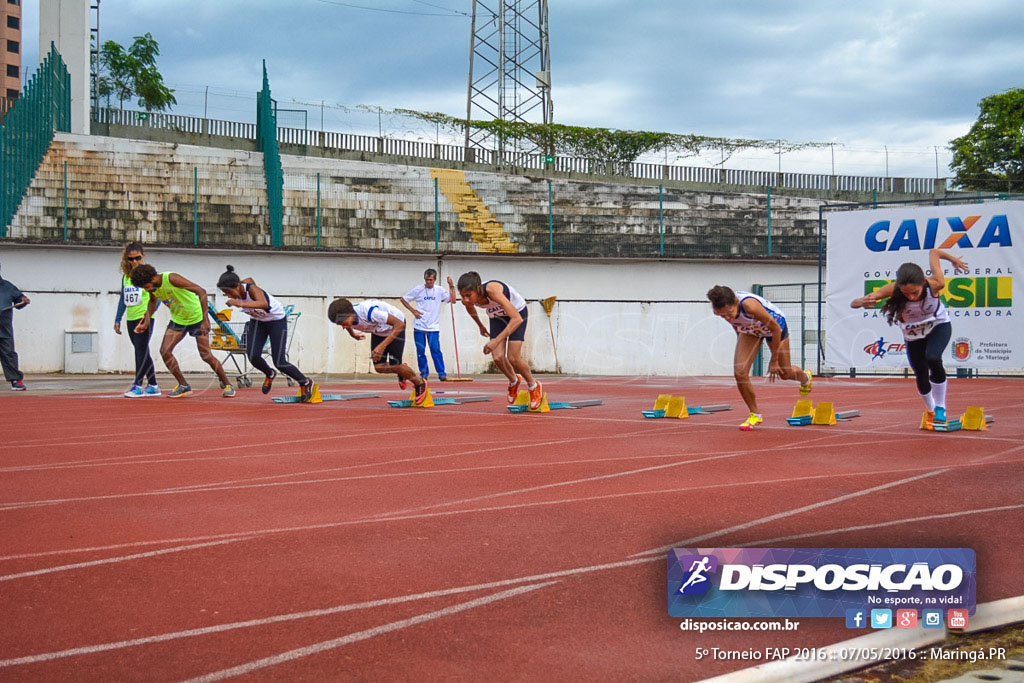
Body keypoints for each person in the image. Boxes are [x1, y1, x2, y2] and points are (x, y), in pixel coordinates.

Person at [850, 248, 969, 427]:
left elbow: (934, 252)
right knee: (920, 372)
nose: (911, 297)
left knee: (933, 358)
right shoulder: (893, 289)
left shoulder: (936, 284)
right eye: (906, 294)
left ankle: (940, 407)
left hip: (938, 325)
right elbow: (854, 303)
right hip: (913, 334)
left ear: (923, 283)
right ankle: (930, 410)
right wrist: (862, 302)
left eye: (915, 292)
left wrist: (953, 260)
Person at [707, 285, 812, 431]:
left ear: (736, 303)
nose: (727, 317)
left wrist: (774, 359)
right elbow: (736, 325)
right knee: (740, 373)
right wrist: (743, 347)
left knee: (784, 373)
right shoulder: (725, 310)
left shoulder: (749, 306)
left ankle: (805, 378)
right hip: (751, 331)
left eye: (729, 313)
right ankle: (755, 414)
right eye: (721, 315)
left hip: (775, 329)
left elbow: (775, 328)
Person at [129, 264, 236, 398]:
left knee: (205, 355)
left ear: (152, 278)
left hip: (196, 317)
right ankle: (183, 385)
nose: (146, 290)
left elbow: (201, 291)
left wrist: (205, 319)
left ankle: (228, 384)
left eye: (146, 287)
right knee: (165, 351)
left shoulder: (171, 278)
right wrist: (146, 322)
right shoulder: (152, 287)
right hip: (178, 319)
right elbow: (152, 301)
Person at [217, 265, 315, 402]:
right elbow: (249, 279)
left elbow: (263, 304)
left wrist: (239, 304)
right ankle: (269, 373)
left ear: (237, 286)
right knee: (252, 355)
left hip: (276, 321)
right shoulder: (244, 284)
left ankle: (305, 381)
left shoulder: (252, 290)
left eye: (228, 292)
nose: (228, 296)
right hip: (258, 322)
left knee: (279, 361)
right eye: (225, 293)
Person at [449, 271, 543, 410]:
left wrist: (496, 341)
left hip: (516, 314)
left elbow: (516, 319)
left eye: (468, 296)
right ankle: (514, 380)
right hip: (497, 317)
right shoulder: (466, 299)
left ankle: (534, 386)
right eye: (463, 296)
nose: (466, 299)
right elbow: (470, 309)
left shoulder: (493, 290)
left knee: (513, 358)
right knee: (498, 357)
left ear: (478, 289)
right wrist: (480, 326)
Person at [327, 297, 428, 405]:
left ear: (351, 314)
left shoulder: (370, 312)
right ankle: (402, 371)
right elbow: (347, 323)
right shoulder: (348, 317)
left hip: (395, 326)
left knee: (396, 364)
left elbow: (399, 325)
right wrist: (353, 334)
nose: (343, 327)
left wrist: (381, 346)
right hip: (378, 330)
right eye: (340, 325)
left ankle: (420, 383)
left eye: (344, 323)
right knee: (379, 367)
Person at [114, 242, 161, 397]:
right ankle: (153, 385)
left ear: (143, 256)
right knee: (141, 350)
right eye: (131, 259)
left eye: (137, 258)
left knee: (140, 351)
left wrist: (148, 315)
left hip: (144, 318)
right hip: (131, 318)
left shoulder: (149, 275)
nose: (134, 262)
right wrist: (118, 318)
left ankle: (138, 385)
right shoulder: (126, 277)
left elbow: (158, 298)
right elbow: (123, 298)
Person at [400, 268, 451, 382]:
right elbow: (403, 299)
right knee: (420, 351)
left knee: (435, 350)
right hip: (419, 326)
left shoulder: (439, 290)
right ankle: (424, 373)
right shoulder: (418, 289)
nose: (429, 282)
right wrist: (413, 311)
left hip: (433, 327)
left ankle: (441, 373)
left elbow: (451, 299)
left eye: (431, 280)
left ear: (435, 279)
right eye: (427, 280)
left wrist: (451, 286)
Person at [0, 262, 29, 391]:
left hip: (4, 329)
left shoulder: (7, 286)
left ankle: (15, 381)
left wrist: (23, 300)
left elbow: (20, 298)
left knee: (9, 354)